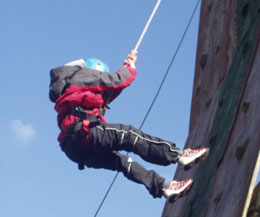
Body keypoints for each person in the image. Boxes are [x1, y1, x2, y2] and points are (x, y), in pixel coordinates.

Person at [49, 50, 209, 202]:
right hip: (85, 131)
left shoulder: (68, 88)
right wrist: (129, 71)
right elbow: (115, 81)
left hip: (75, 149)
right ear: (94, 70)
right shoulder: (81, 76)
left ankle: (164, 187)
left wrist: (128, 65)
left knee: (123, 162)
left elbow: (109, 92)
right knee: (130, 136)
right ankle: (179, 155)